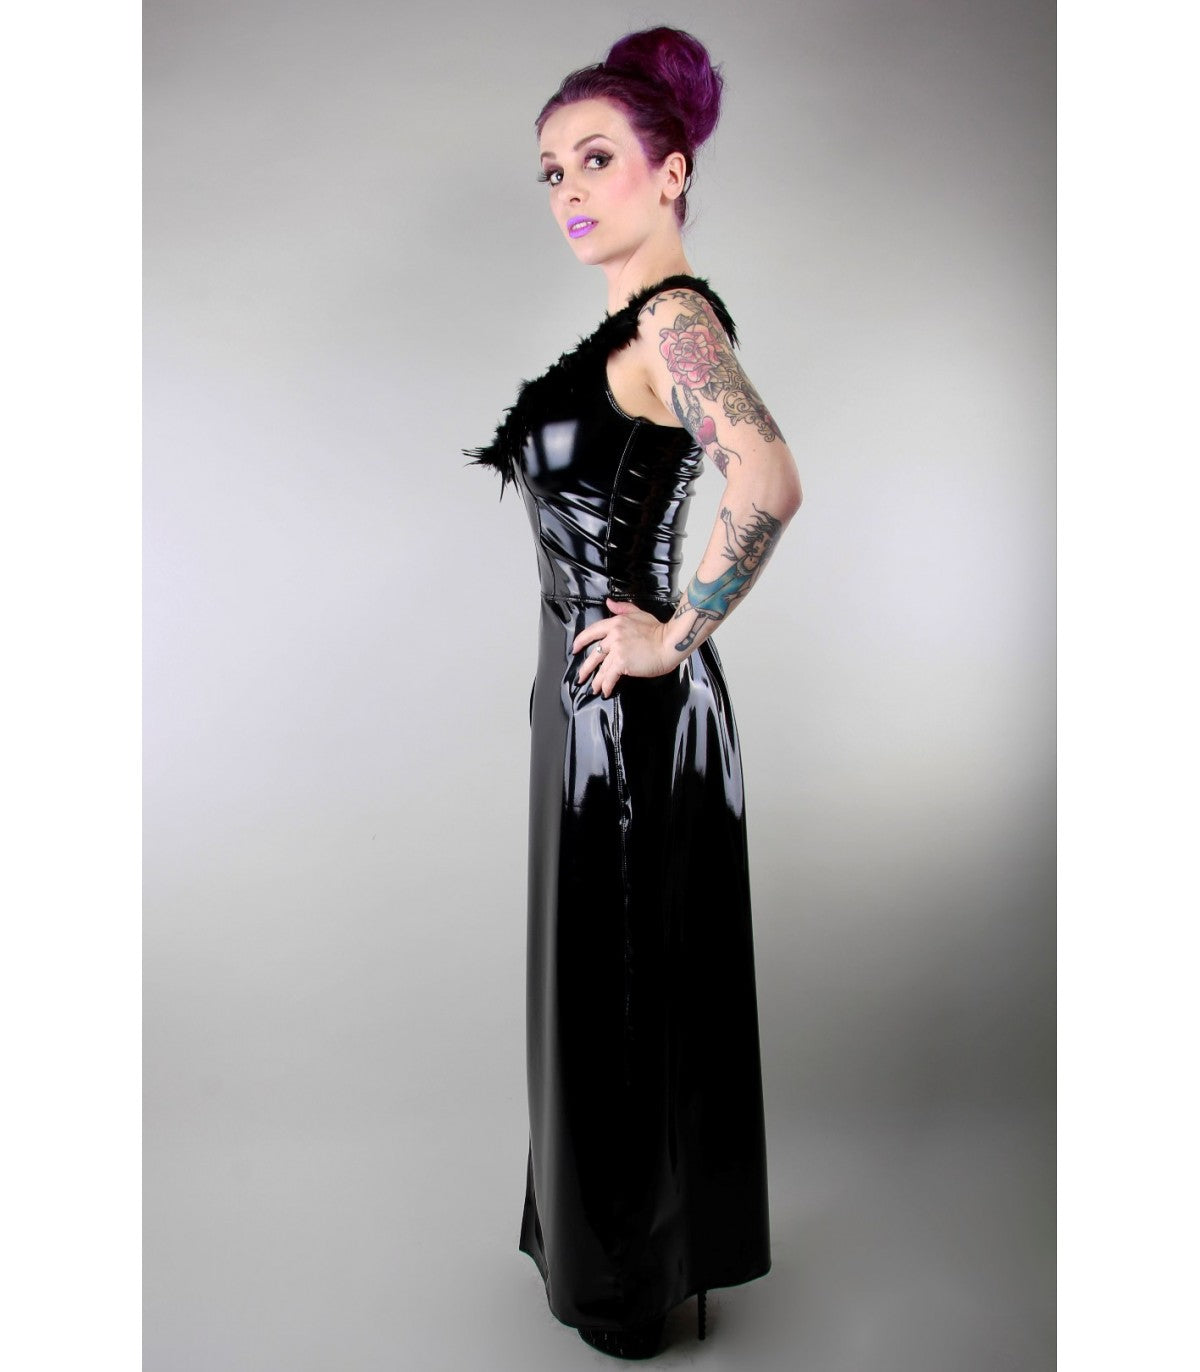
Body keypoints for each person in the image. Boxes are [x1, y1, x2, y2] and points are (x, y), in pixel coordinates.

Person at [465, 26, 803, 1362]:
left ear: (671, 173)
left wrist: (680, 632)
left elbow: (764, 478)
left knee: (623, 1000)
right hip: (584, 717)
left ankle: (631, 1286)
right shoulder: (630, 325)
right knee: (610, 994)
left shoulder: (674, 319)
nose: (569, 189)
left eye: (596, 159)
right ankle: (641, 1258)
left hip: (630, 716)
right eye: (552, 170)